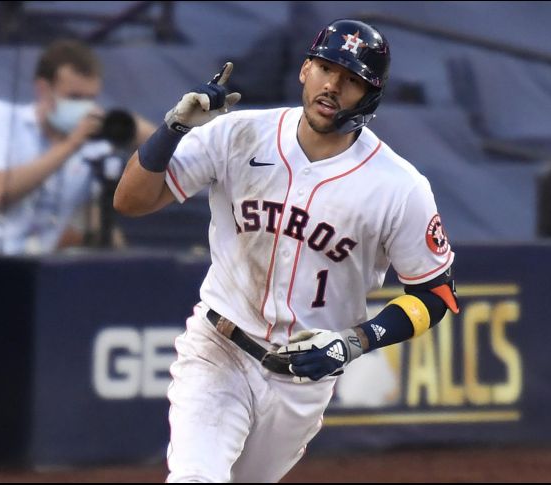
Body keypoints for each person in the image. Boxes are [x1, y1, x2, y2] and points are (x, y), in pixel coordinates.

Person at [114, 19, 459, 483]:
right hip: (219, 347)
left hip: (302, 378)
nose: (333, 86)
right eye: (325, 68)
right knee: (196, 477)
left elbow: (436, 295)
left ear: (370, 95)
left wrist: (356, 341)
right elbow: (130, 201)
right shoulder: (239, 134)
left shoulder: (399, 187)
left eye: (352, 79)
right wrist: (172, 129)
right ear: (304, 70)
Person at [0, 39, 156, 254]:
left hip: (38, 267)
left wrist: (129, 125)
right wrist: (70, 145)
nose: (84, 107)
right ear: (43, 89)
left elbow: (174, 156)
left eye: (91, 99)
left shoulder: (93, 147)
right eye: (74, 98)